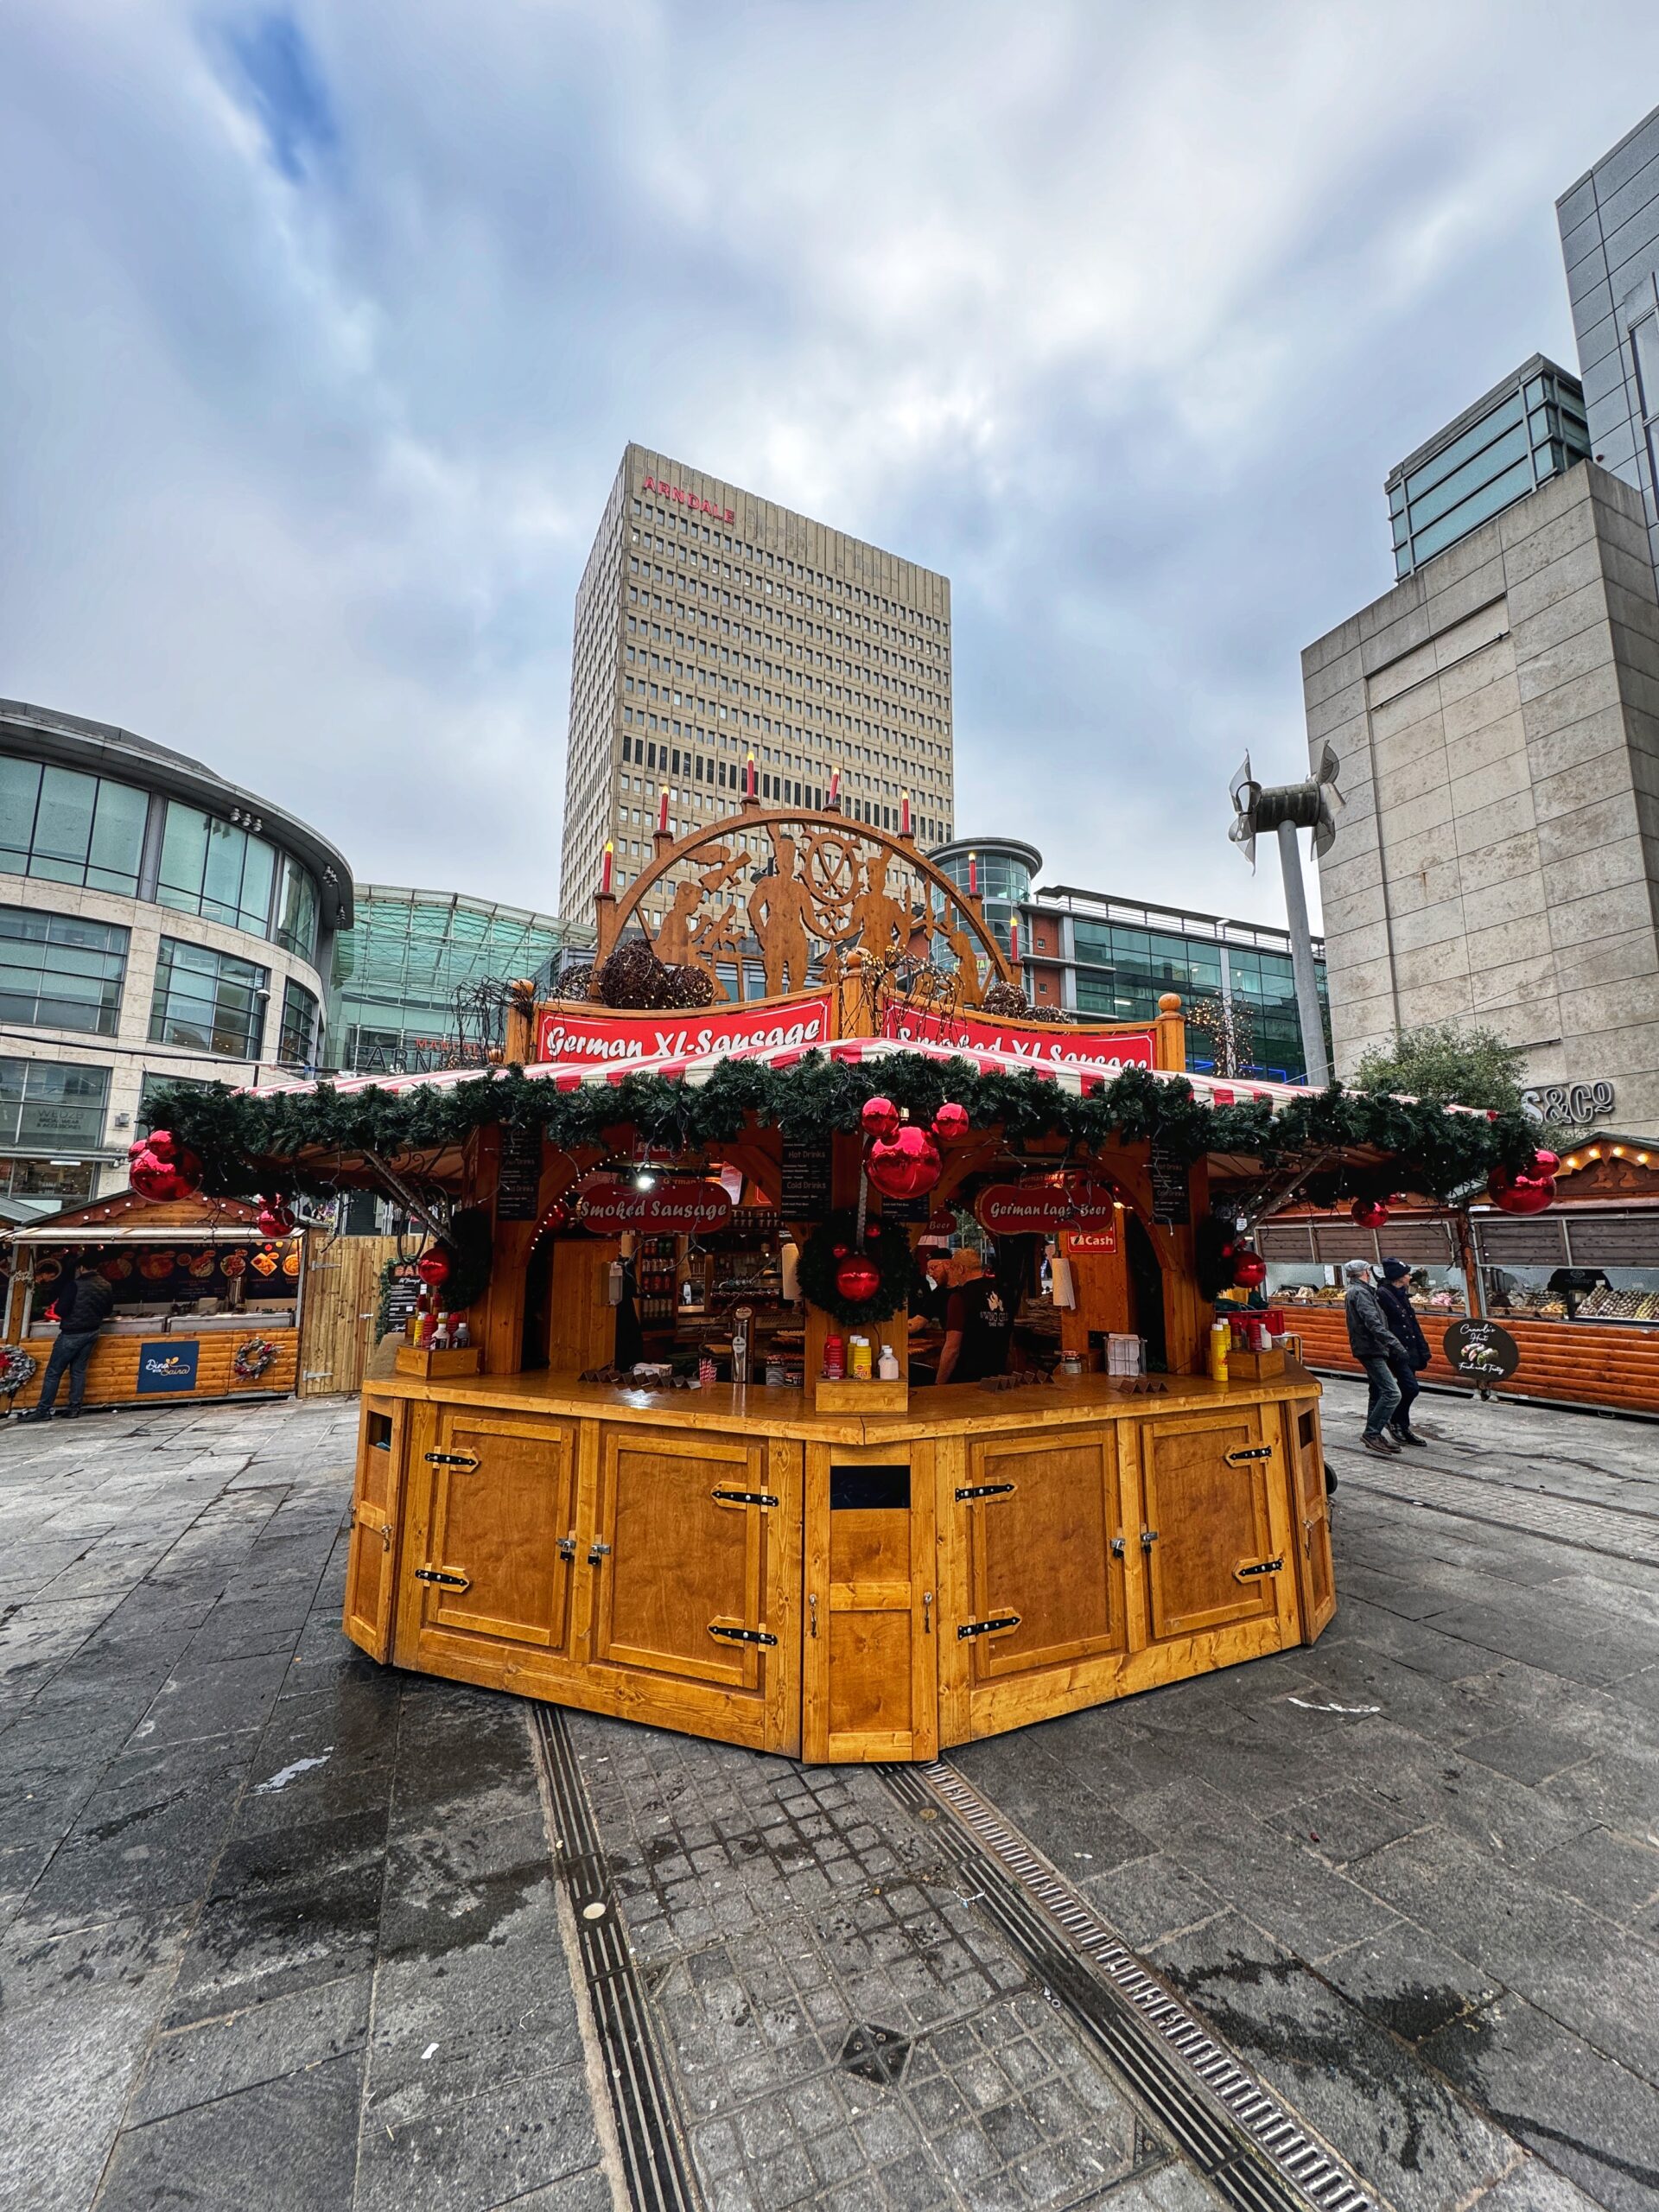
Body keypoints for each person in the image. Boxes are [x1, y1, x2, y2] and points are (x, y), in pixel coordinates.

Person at [19, 1260, 115, 1422]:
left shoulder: (74, 1285)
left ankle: (43, 1410)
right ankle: (74, 1408)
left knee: (53, 1372)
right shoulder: (106, 1285)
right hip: (92, 1332)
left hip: (72, 1332)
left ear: (81, 1268)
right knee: (78, 1371)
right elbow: (108, 1310)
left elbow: (61, 1310)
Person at [1341, 1258, 1408, 1455]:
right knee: (1392, 1393)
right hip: (1370, 1348)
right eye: (1368, 1270)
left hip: (1370, 1346)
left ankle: (1375, 1433)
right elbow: (1372, 1322)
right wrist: (1395, 1344)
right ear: (1365, 1272)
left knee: (1377, 1391)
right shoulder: (1360, 1292)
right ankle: (1371, 1432)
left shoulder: (1360, 1290)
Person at [936, 1249, 1012, 1385]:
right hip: (998, 1377)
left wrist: (938, 1384)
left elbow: (952, 1348)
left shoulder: (959, 1298)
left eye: (952, 1269)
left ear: (960, 1269)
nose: (951, 1273)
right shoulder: (1002, 1294)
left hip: (967, 1380)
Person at [1376, 1258, 1431, 1446]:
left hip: (1409, 1349)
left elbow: (1412, 1323)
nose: (1410, 1276)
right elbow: (1383, 1325)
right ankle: (1393, 1419)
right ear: (1399, 1277)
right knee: (1410, 1387)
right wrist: (1392, 1346)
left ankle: (1403, 1425)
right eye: (1407, 1274)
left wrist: (1422, 1348)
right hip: (1396, 1350)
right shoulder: (1383, 1295)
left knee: (1408, 1386)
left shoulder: (1400, 1294)